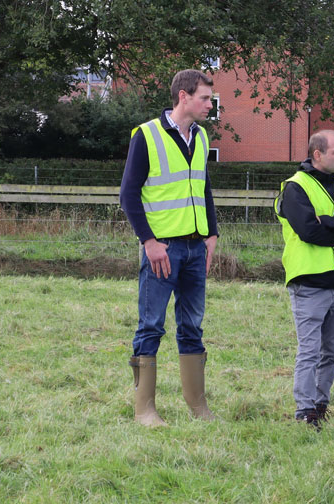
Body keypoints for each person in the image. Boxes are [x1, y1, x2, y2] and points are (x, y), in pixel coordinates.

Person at [119, 69, 219, 427]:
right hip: (162, 251)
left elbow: (202, 188)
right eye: (206, 98)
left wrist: (212, 235)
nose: (211, 104)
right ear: (184, 97)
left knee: (192, 327)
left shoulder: (202, 137)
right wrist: (149, 242)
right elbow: (128, 195)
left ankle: (198, 406)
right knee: (151, 326)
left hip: (196, 249)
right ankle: (144, 409)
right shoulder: (146, 136)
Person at [275, 130, 334, 428]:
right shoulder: (294, 188)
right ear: (317, 155)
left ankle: (320, 404)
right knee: (310, 351)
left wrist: (329, 222)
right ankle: (305, 410)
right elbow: (308, 232)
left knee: (331, 352)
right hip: (309, 282)